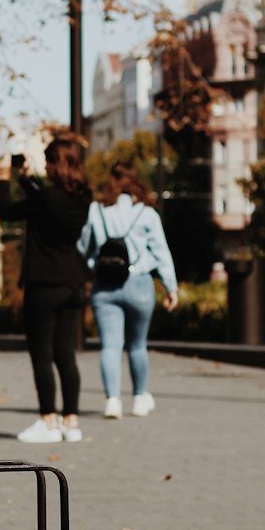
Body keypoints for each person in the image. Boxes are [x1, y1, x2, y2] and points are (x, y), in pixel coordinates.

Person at [0, 133, 92, 443]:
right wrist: (26, 180)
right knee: (66, 354)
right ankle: (71, 422)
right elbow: (44, 201)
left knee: (42, 355)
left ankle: (48, 420)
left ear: (56, 164)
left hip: (44, 282)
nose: (47, 168)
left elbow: (8, 211)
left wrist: (3, 180)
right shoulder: (83, 197)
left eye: (49, 162)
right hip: (73, 281)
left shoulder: (45, 199)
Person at [78, 161, 178, 418]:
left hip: (105, 286)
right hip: (140, 284)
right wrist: (170, 288)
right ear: (136, 182)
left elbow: (84, 248)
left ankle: (113, 400)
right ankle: (138, 398)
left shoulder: (96, 211)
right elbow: (161, 253)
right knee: (137, 345)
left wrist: (93, 265)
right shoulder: (146, 214)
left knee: (110, 346)